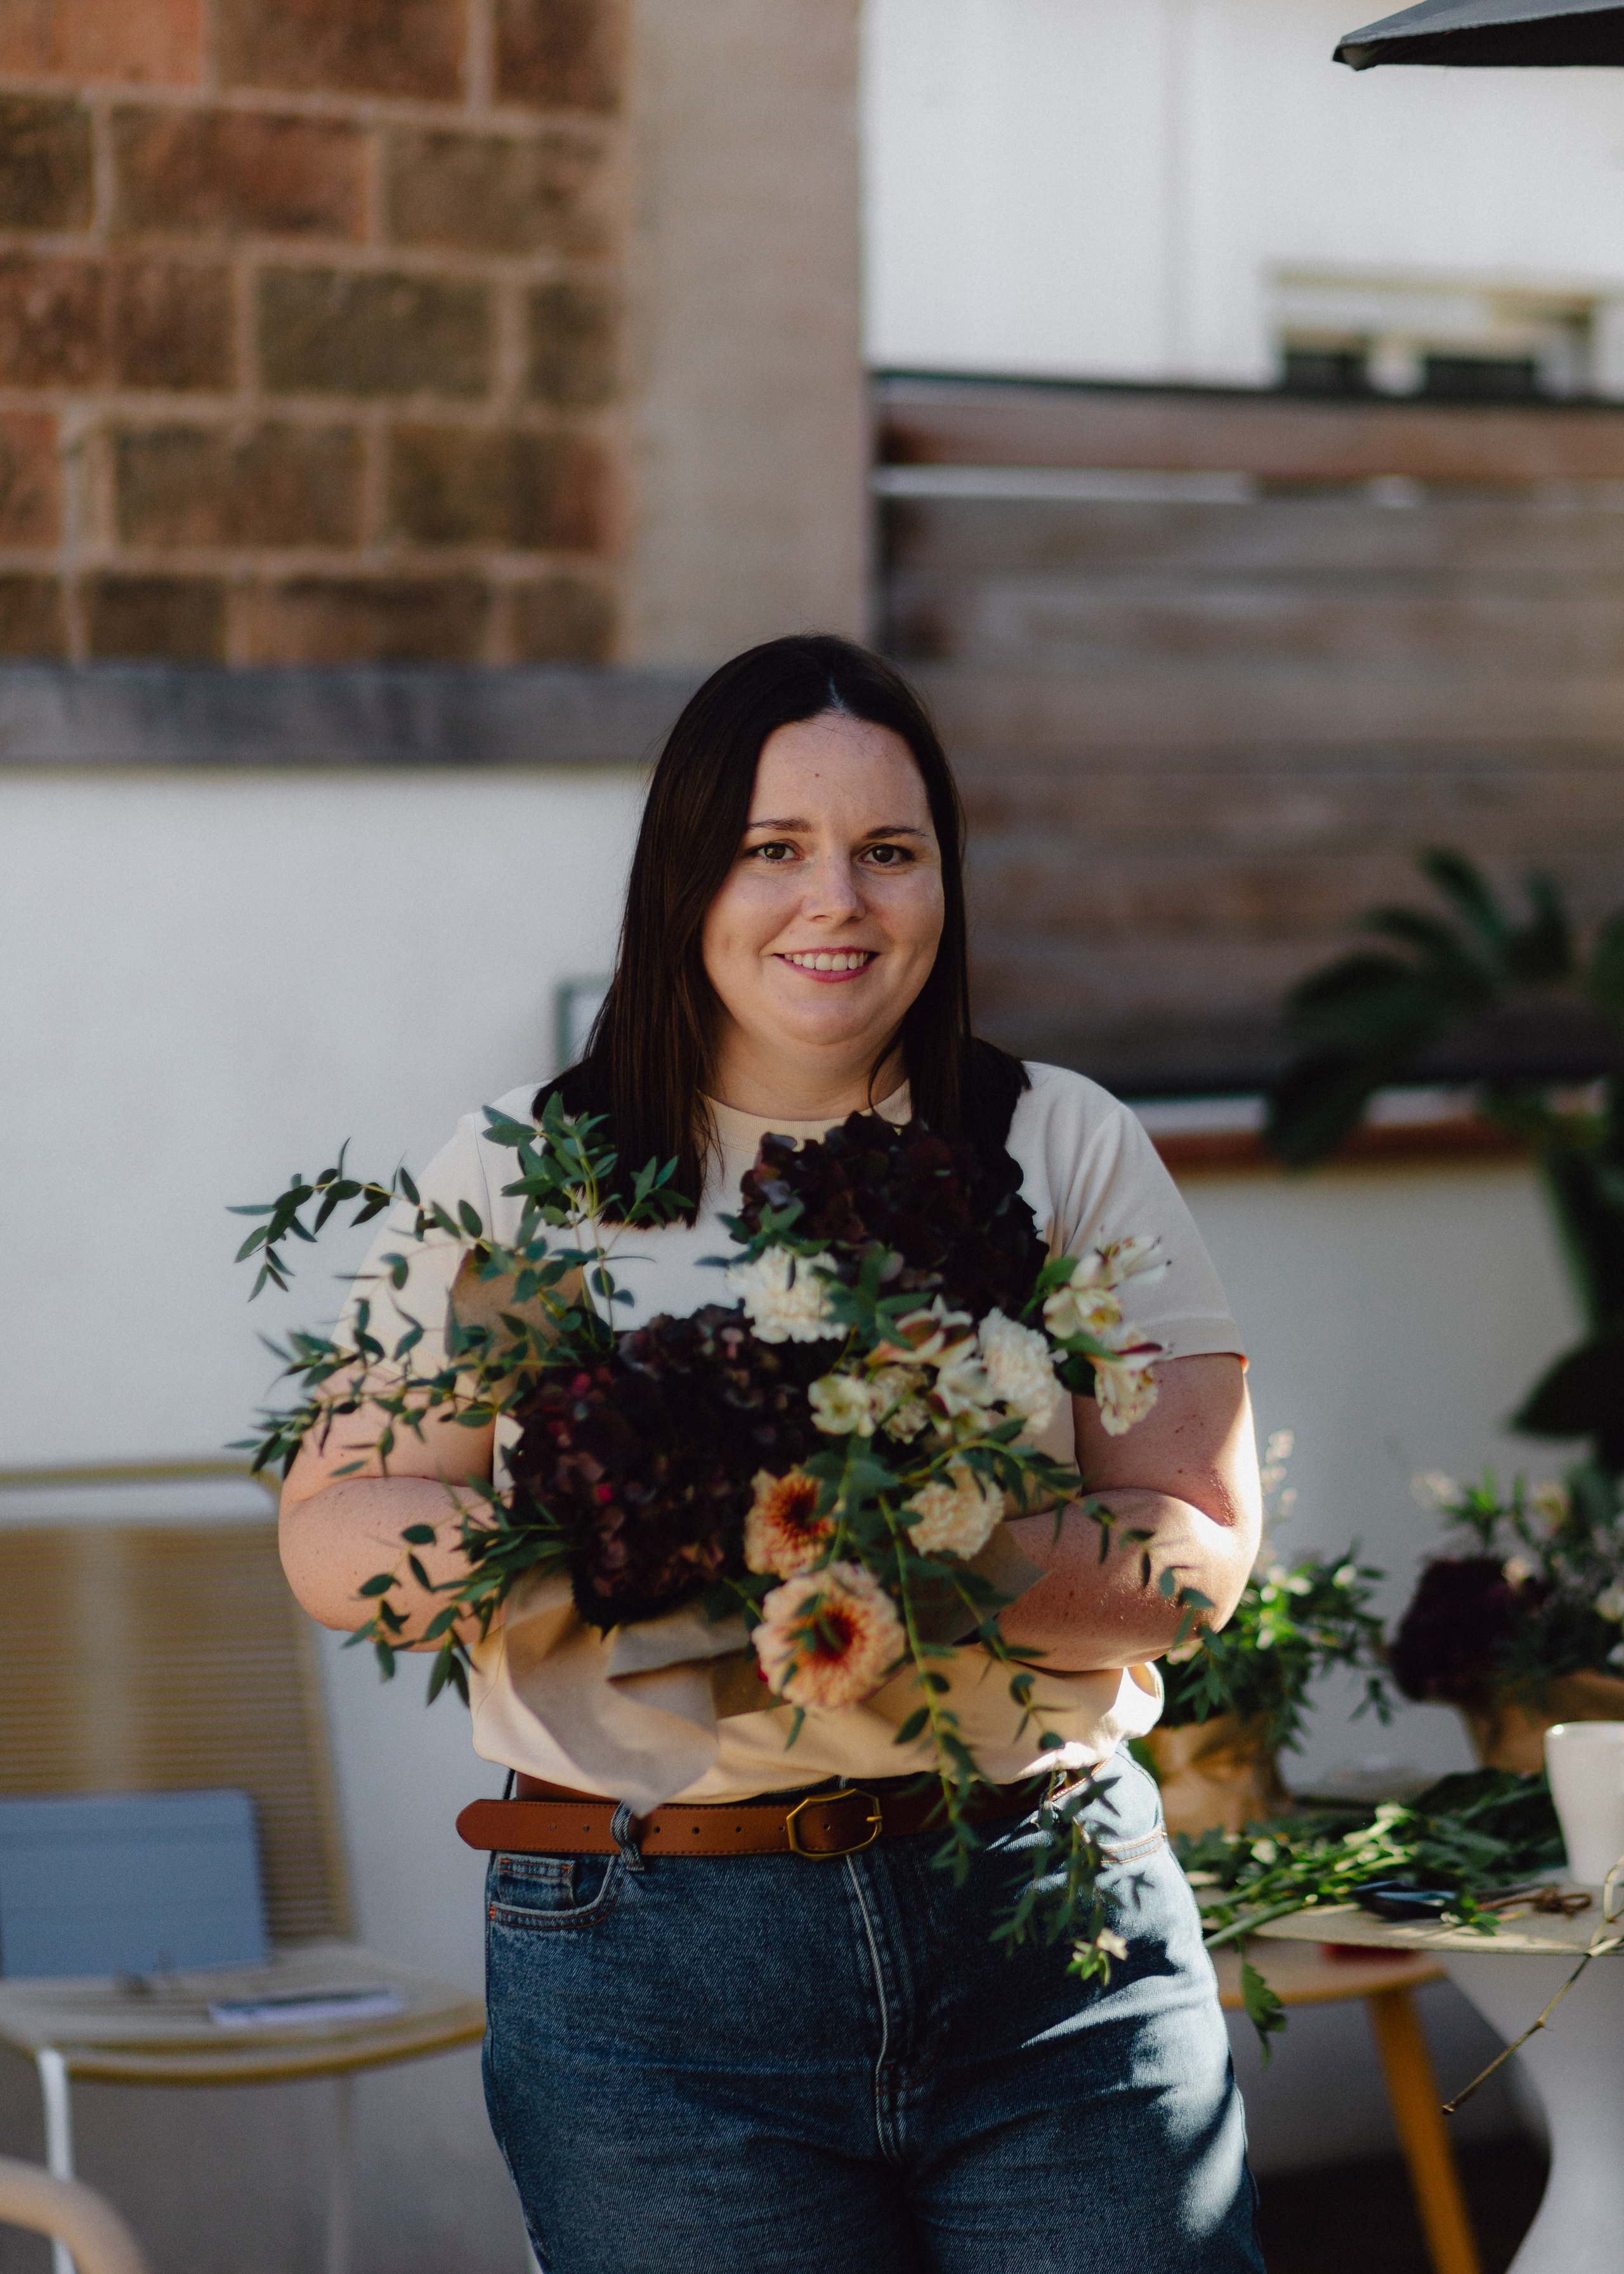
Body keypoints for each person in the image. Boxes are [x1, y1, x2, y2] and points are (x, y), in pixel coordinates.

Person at [280, 634, 1266, 2274]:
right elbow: (332, 1529)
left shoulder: (1059, 1142)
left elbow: (1197, 1546)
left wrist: (924, 1549)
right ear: (687, 875)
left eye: (889, 851)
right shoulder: (533, 1174)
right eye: (773, 848)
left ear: (943, 879)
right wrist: (598, 1532)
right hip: (654, 1976)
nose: (838, 902)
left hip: (1047, 1934)